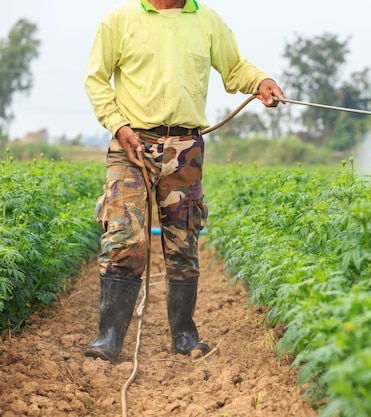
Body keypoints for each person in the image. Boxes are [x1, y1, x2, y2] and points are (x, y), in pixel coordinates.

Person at [84, 0, 284, 362]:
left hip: (185, 147)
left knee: (183, 240)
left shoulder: (206, 21)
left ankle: (184, 335)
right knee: (124, 235)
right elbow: (96, 79)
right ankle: (108, 338)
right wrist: (118, 124)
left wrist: (261, 81)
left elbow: (235, 67)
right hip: (131, 143)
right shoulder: (119, 19)